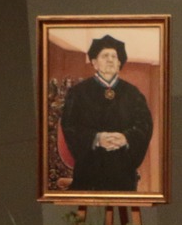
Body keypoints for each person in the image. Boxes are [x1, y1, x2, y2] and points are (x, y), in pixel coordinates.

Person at [59, 35, 154, 192]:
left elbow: (145, 125)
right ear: (95, 63)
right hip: (88, 172)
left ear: (119, 64)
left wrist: (126, 138)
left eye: (114, 57)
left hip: (123, 172)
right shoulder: (78, 93)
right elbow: (69, 126)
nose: (110, 60)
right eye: (105, 56)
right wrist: (96, 138)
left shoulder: (133, 93)